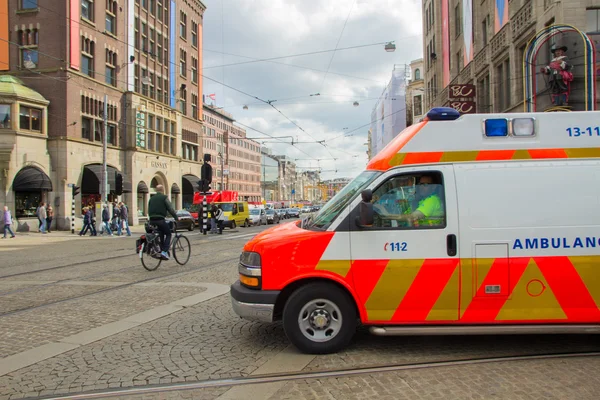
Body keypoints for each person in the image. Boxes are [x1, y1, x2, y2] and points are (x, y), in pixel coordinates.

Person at [148, 185, 179, 259]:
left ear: (156, 190)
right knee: (168, 234)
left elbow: (148, 209)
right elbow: (170, 209)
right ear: (163, 190)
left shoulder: (151, 199)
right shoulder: (164, 198)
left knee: (161, 233)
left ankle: (160, 249)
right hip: (160, 219)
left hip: (151, 220)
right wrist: (176, 217)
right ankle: (164, 252)